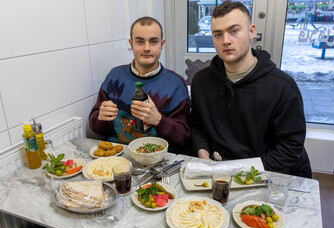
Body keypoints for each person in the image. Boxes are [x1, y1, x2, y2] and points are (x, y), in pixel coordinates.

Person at [190, 1, 312, 178]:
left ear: (251, 32)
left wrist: (241, 174)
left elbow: (289, 147)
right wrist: (202, 151)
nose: (225, 41)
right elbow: (197, 126)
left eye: (234, 31)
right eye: (217, 34)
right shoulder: (201, 81)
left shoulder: (282, 87)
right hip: (216, 171)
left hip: (265, 173)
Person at [89, 16, 190, 149]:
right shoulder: (114, 76)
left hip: (157, 158)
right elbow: (97, 128)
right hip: (118, 154)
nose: (147, 48)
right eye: (140, 42)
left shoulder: (176, 84)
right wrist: (101, 118)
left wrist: (158, 120)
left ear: (162, 44)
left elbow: (183, 138)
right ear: (131, 44)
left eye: (153, 42)